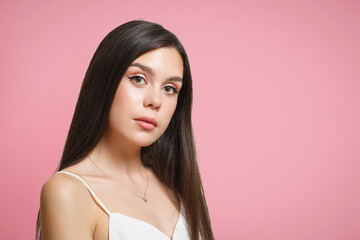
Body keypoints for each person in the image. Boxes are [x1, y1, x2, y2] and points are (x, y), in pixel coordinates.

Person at [36, 20, 214, 240]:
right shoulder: (69, 192)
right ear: (104, 82)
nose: (155, 101)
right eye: (138, 79)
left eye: (169, 88)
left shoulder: (180, 185)